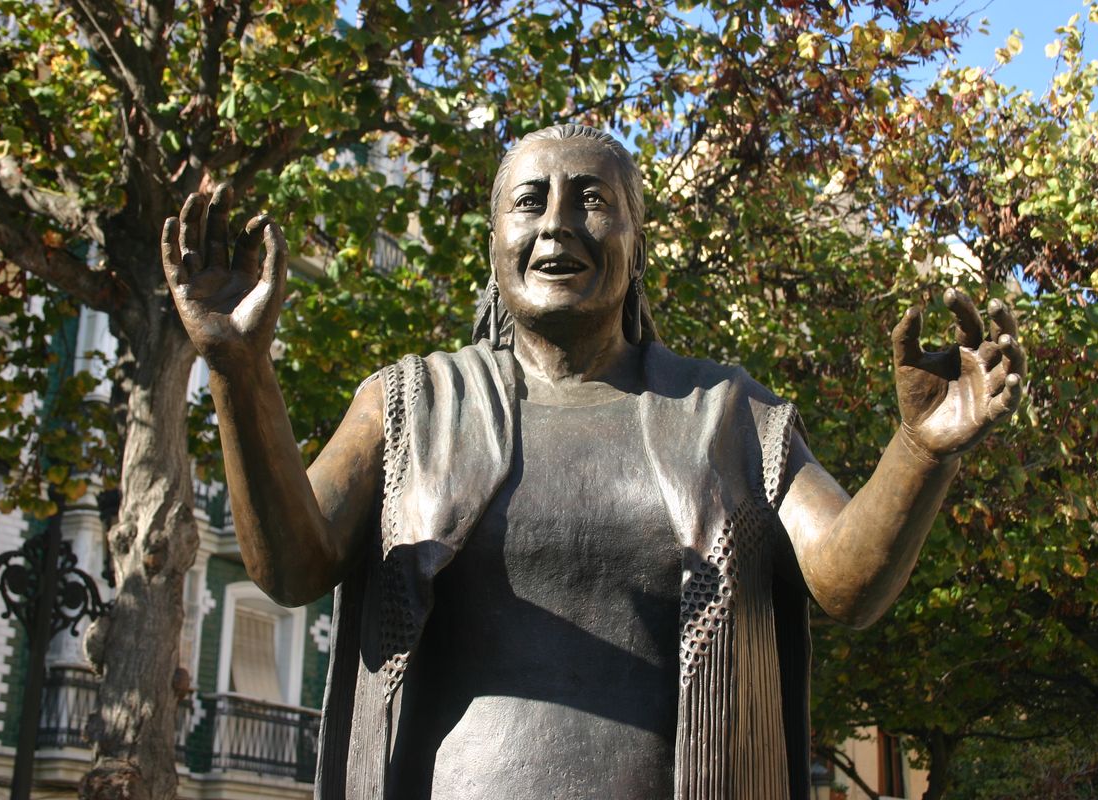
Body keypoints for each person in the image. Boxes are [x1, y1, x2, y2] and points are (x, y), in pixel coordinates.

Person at [161, 124, 1026, 800]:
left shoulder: (727, 410)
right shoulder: (407, 404)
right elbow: (293, 563)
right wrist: (238, 371)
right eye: (528, 202)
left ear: (636, 243)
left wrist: (919, 451)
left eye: (591, 201)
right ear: (494, 242)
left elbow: (846, 582)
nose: (557, 225)